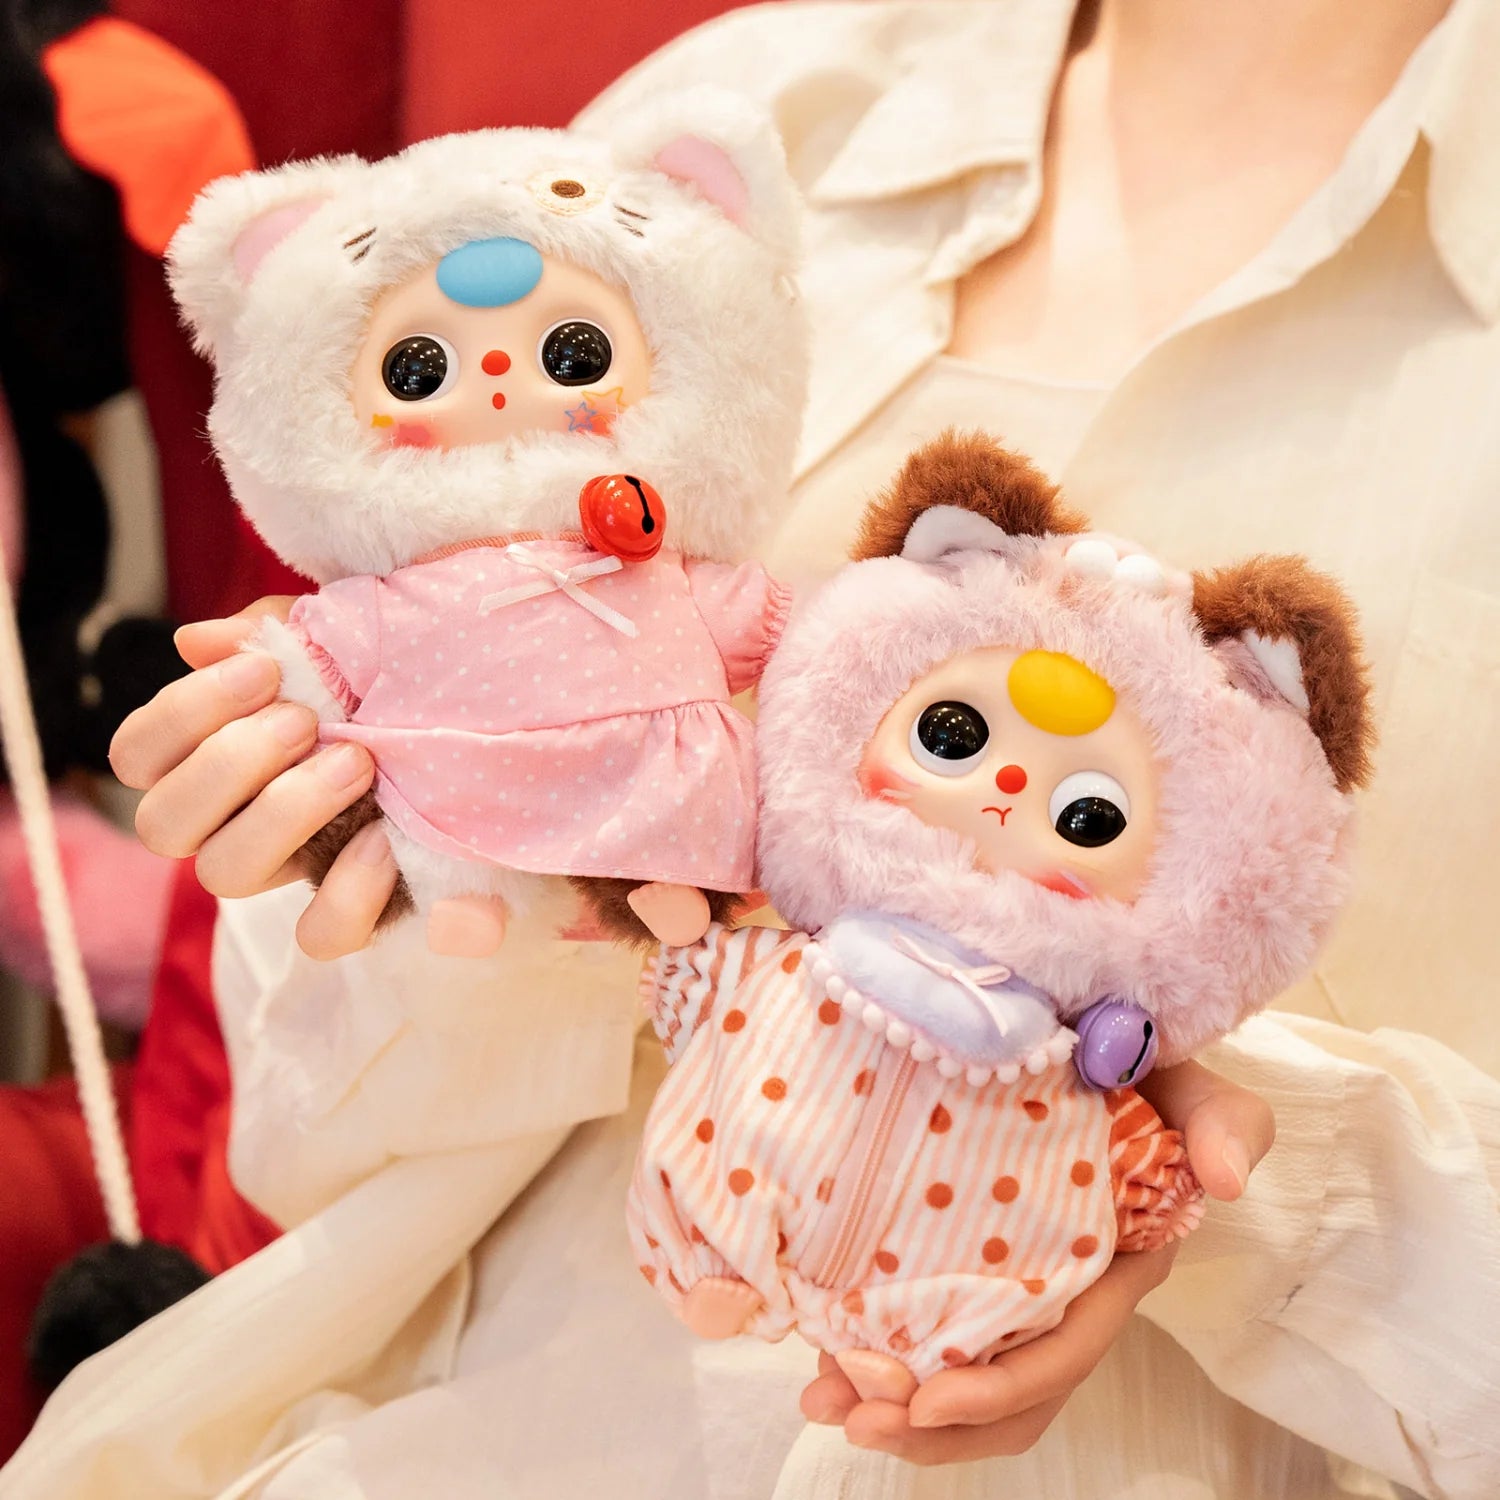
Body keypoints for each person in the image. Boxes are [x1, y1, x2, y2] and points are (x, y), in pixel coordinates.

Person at [8, 0, 1499, 1495]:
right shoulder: (754, 116)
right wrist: (413, 862)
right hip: (491, 1413)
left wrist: (1228, 1182)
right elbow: (311, 1123)